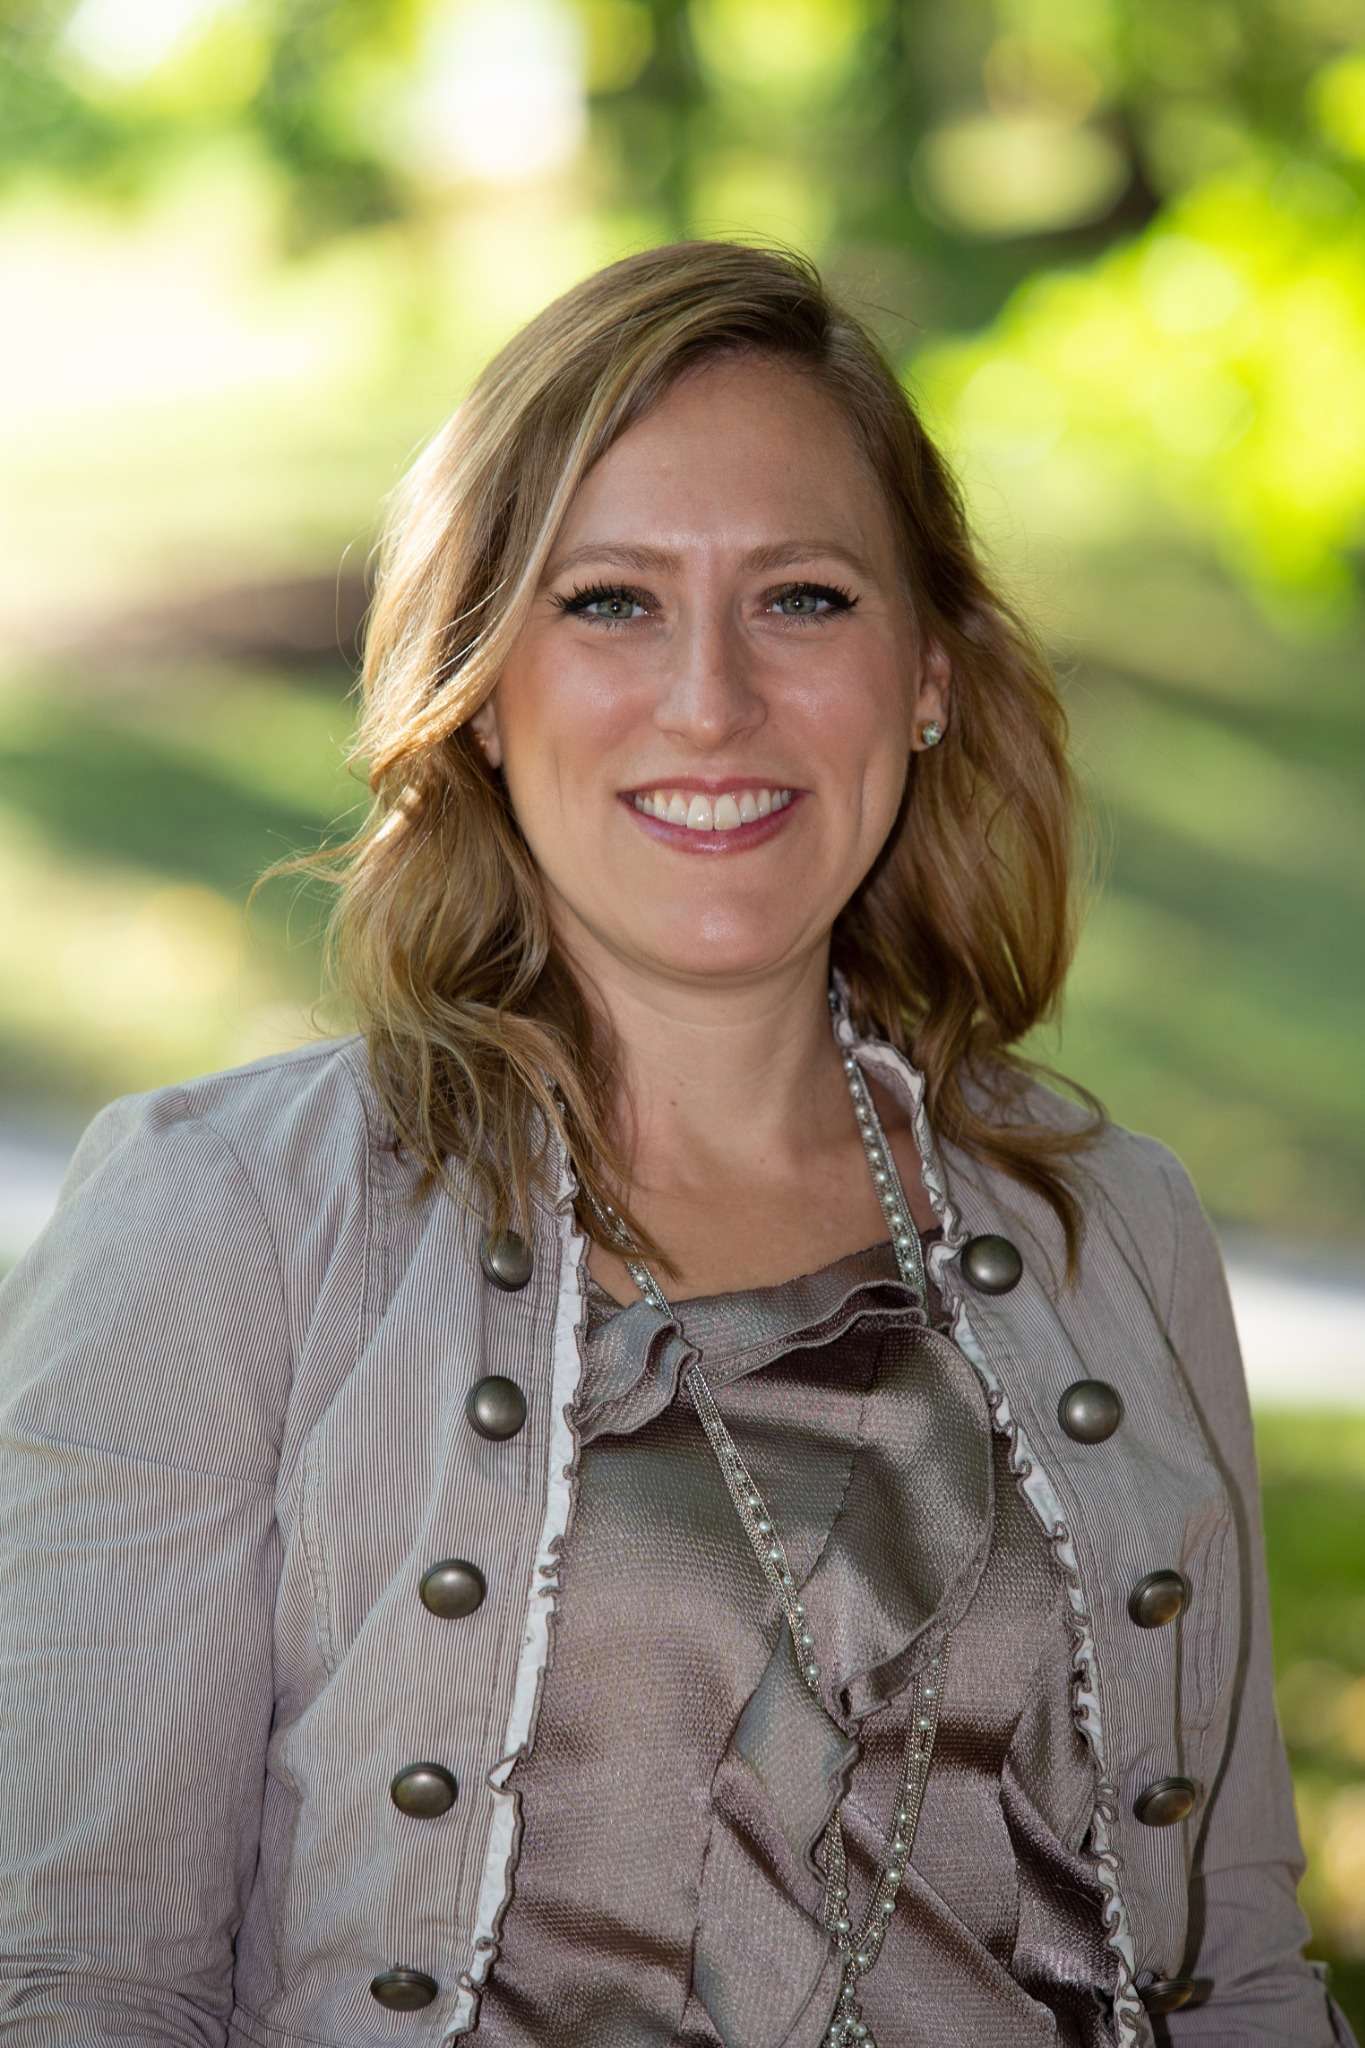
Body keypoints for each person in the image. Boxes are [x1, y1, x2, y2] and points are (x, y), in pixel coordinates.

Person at [0, 238, 1353, 2048]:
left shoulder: (1114, 1225)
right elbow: (84, 1986)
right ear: (480, 691)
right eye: (609, 603)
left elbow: (1239, 1965)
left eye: (802, 598)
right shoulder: (220, 1220)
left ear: (929, 674)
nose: (708, 701)